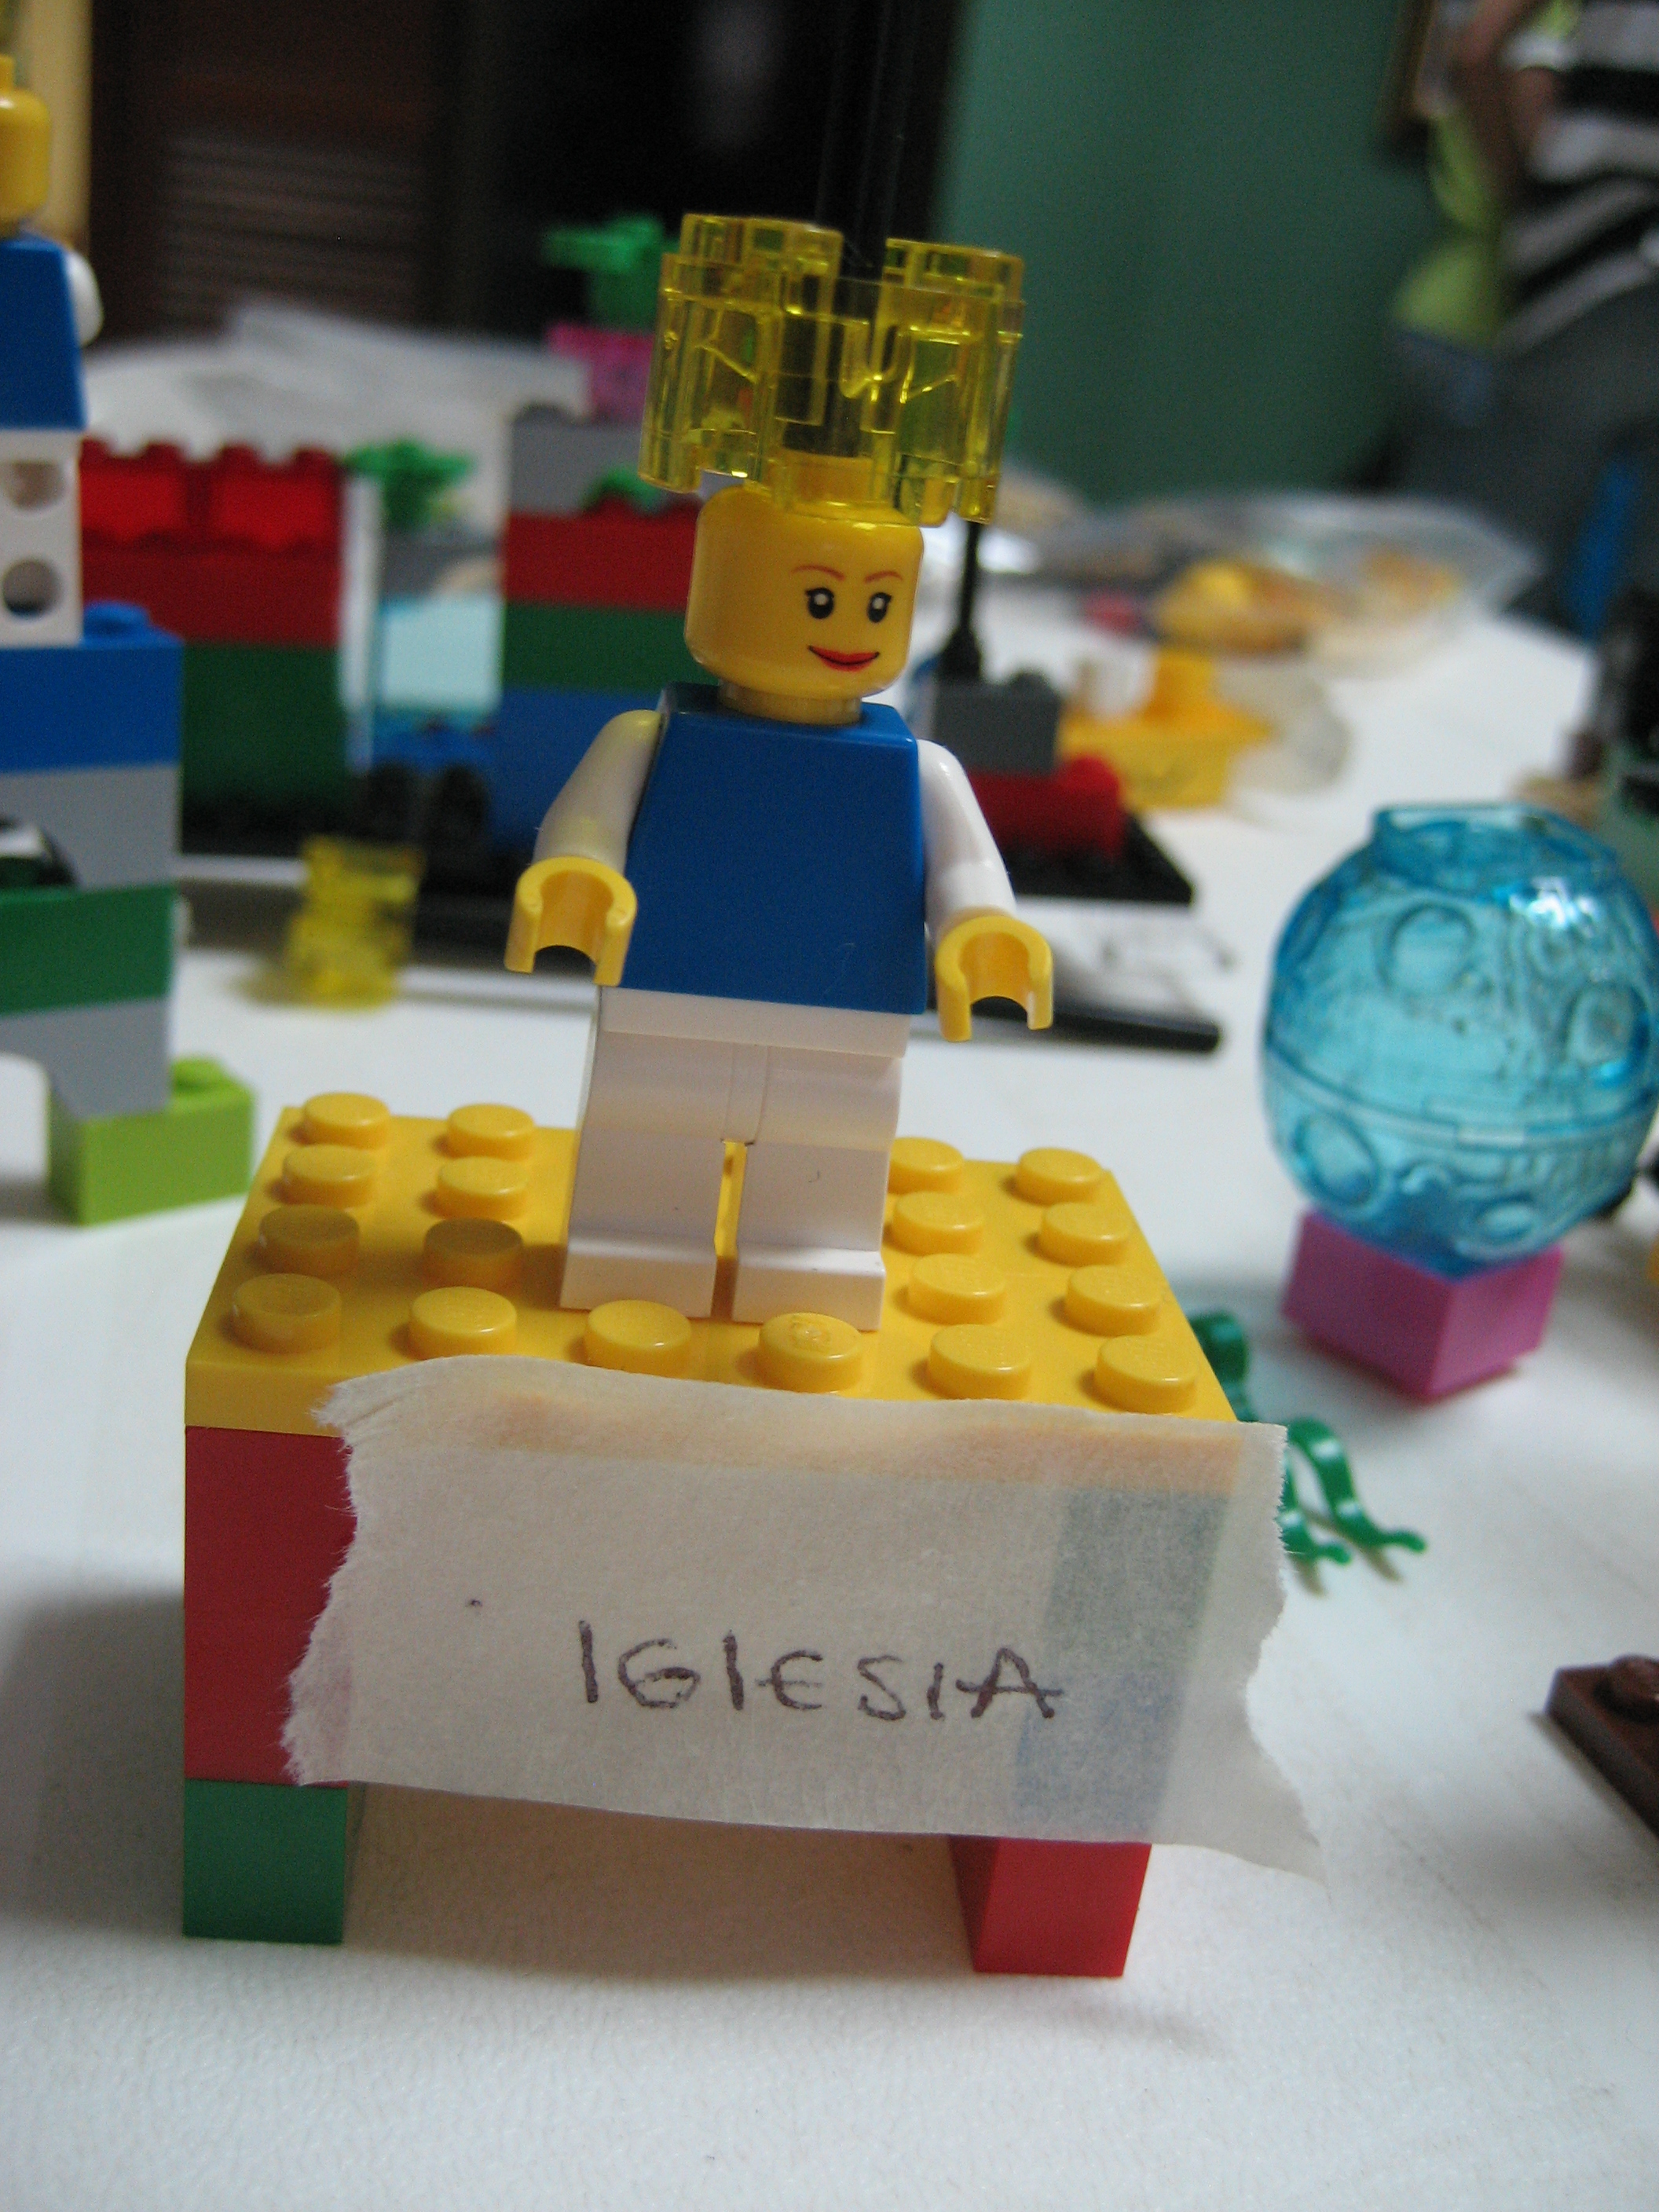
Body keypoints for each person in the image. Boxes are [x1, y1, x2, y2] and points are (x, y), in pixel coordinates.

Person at [1401, 0, 1659, 620]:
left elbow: (1478, 45)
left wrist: (1531, 195)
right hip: (1584, 277)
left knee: (1492, 582)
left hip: (1586, 271)